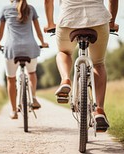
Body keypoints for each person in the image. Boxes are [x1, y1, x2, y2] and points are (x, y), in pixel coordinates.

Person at [44, 0, 119, 131]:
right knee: (98, 64)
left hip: (69, 18)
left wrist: (50, 22)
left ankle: (65, 80)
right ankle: (99, 110)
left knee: (64, 52)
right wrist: (111, 23)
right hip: (98, 19)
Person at [0, 0, 48, 119]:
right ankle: (33, 97)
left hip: (12, 49)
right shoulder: (31, 8)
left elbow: (0, 33)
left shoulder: (5, 9)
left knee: (11, 79)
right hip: (30, 48)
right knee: (32, 73)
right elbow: (38, 31)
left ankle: (13, 111)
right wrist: (43, 43)